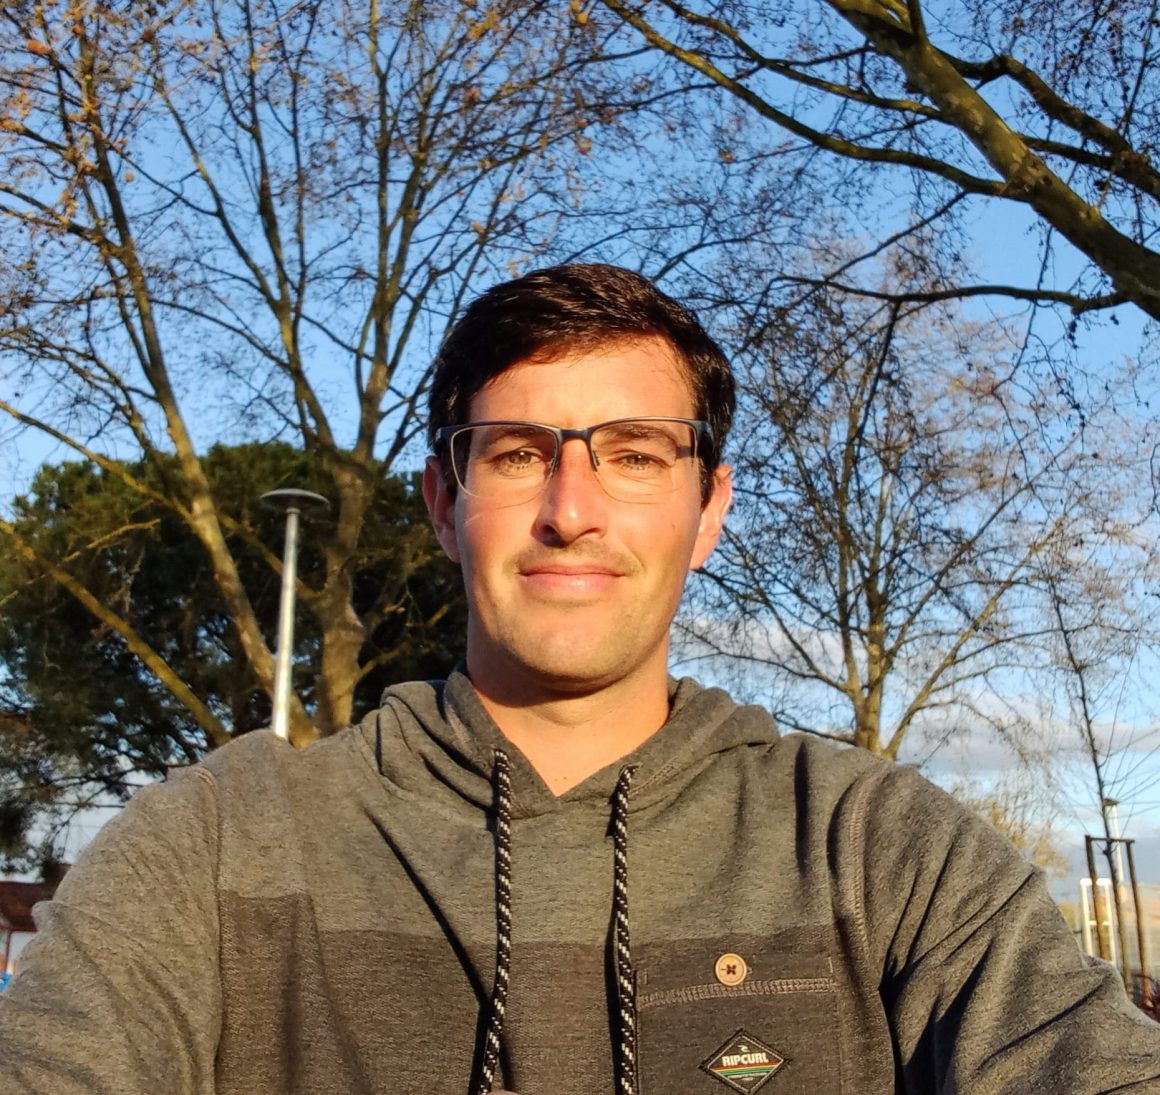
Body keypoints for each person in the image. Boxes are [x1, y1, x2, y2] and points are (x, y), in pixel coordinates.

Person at [0, 264, 1156, 1095]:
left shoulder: (879, 847)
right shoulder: (215, 846)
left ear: (707, 509)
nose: (569, 510)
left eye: (634, 455)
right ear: (442, 505)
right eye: (516, 455)